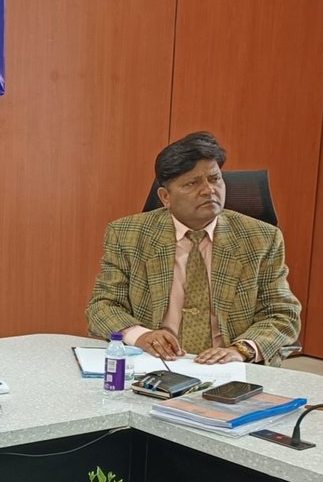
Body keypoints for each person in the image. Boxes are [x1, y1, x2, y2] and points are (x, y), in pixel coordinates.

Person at [86, 132, 302, 365]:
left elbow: (281, 313)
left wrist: (240, 350)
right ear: (165, 197)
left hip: (228, 367)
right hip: (154, 362)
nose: (209, 190)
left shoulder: (261, 238)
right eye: (192, 183)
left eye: (215, 179)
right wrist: (141, 336)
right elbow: (103, 306)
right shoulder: (127, 234)